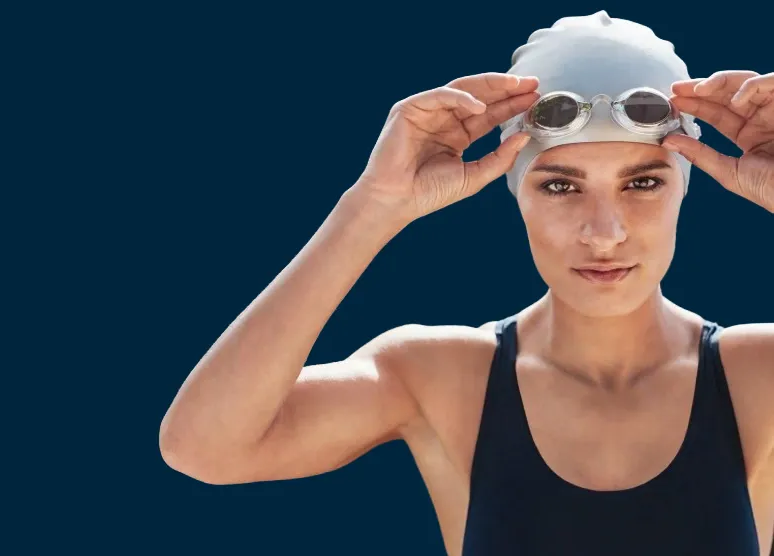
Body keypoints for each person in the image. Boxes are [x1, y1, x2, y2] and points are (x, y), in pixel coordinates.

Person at [159, 10, 774, 555]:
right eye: (560, 186)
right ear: (516, 192)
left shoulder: (760, 374)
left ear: (685, 187)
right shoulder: (439, 375)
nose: (604, 233)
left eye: (642, 183)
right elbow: (205, 448)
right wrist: (375, 206)